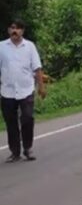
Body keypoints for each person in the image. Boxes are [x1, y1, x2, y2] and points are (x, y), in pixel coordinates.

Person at [0, 19, 46, 162]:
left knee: (27, 118)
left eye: (18, 28)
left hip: (26, 89)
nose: (15, 31)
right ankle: (15, 152)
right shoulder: (1, 47)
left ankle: (27, 148)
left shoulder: (29, 46)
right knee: (11, 122)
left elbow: (37, 68)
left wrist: (41, 87)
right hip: (7, 91)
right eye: (12, 28)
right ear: (8, 30)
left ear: (22, 31)